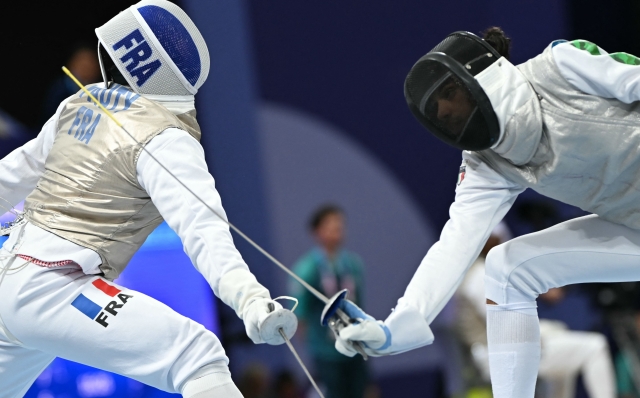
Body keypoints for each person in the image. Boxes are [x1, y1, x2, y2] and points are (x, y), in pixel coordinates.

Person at [0, 1, 296, 397]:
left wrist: (250, 300)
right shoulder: (165, 135)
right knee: (197, 354)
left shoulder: (78, 106)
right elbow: (202, 228)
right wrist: (251, 300)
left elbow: (8, 179)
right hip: (53, 286)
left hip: (10, 276)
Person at [331, 26, 640, 397]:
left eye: (449, 94)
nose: (445, 111)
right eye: (438, 110)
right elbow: (455, 245)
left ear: (484, 76)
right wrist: (397, 326)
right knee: (506, 270)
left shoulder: (562, 66)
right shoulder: (486, 164)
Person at [455, 223, 616, 398]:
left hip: (505, 350)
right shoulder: (480, 275)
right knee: (595, 346)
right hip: (504, 357)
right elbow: (504, 325)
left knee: (560, 338)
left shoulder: (480, 270)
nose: (500, 241)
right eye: (495, 238)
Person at [290, 205, 368, 398]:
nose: (337, 230)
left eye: (340, 225)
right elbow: (301, 313)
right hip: (326, 350)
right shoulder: (306, 269)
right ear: (317, 232)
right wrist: (310, 347)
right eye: (331, 226)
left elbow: (359, 305)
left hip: (355, 344)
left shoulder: (353, 264)